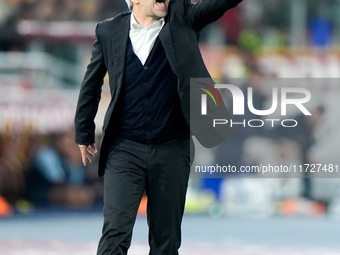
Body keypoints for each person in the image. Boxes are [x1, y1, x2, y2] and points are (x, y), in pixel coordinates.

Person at [74, 0, 241, 254]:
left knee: (166, 241)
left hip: (172, 148)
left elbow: (218, 4)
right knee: (115, 234)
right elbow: (91, 83)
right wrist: (84, 131)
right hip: (124, 148)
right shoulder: (108, 31)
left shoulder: (183, 17)